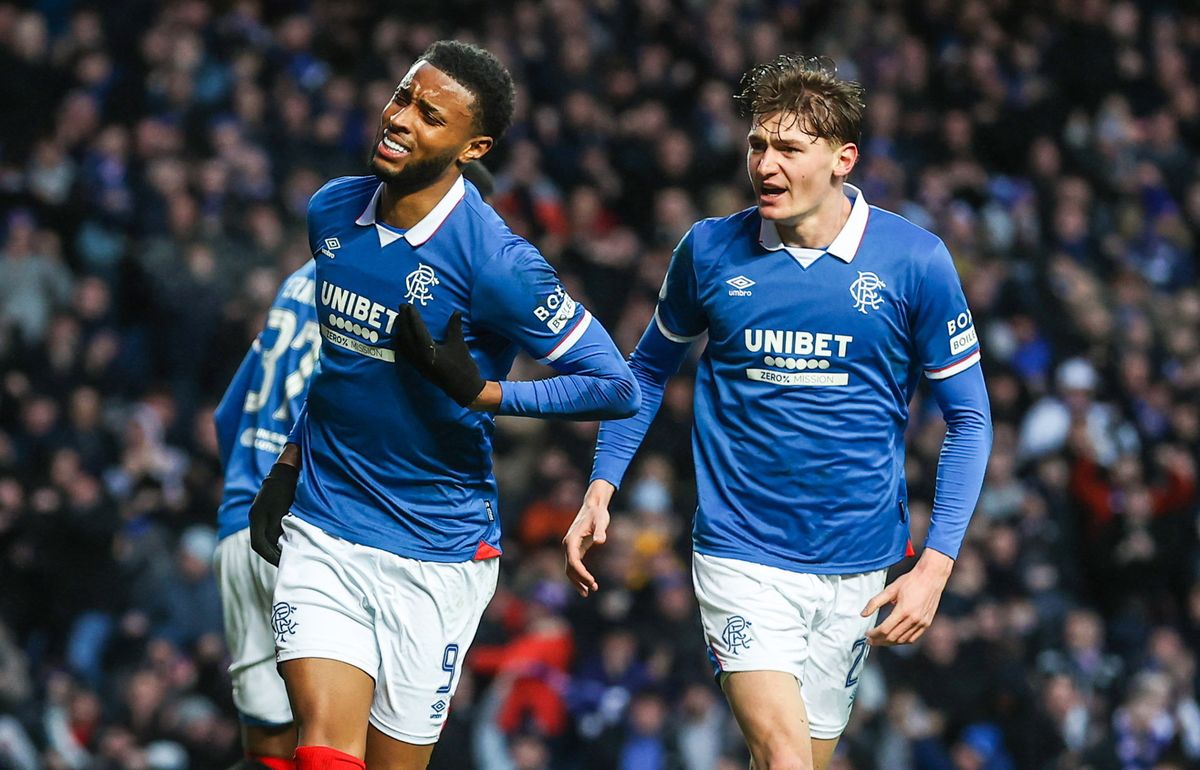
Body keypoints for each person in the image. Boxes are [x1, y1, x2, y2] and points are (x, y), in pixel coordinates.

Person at [565, 54, 992, 770]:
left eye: (790, 149)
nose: (766, 164)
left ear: (841, 160)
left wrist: (936, 565)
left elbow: (971, 419)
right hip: (742, 554)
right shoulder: (708, 251)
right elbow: (643, 371)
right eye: (758, 145)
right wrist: (601, 483)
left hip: (859, 568)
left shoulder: (913, 261)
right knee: (787, 758)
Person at [247, 41, 639, 770]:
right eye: (402, 97)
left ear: (473, 146)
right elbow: (344, 361)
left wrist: (486, 392)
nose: (400, 119)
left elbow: (616, 385)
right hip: (326, 526)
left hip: (438, 550)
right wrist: (291, 459)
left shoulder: (495, 261)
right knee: (323, 754)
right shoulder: (331, 212)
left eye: (430, 116)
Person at [213, 261, 319, 770]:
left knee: (266, 740)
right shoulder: (373, 282)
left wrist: (244, 488)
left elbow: (225, 416)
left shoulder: (295, 282)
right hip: (303, 531)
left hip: (238, 525)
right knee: (334, 730)